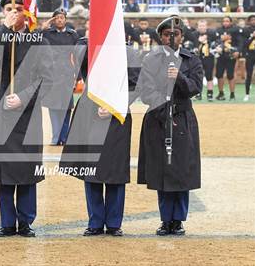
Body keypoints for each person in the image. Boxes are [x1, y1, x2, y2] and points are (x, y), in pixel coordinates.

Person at [0, 0, 53, 237]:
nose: (13, 13)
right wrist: (4, 31)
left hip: (28, 113)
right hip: (2, 108)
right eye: (9, 8)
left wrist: (24, 96)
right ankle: (7, 222)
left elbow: (48, 79)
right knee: (4, 169)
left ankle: (25, 221)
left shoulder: (38, 41)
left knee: (27, 169)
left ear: (27, 12)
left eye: (18, 8)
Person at [59, 35, 141, 237]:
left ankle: (114, 223)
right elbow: (78, 58)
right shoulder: (87, 45)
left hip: (117, 114)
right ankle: (95, 221)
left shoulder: (129, 52)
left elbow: (137, 86)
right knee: (91, 167)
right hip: (90, 111)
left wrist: (117, 105)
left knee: (115, 169)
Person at [138, 16, 202, 236]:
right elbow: (145, 91)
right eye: (166, 34)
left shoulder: (191, 59)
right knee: (162, 170)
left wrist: (180, 77)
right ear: (161, 37)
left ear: (181, 36)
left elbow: (195, 87)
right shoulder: (151, 59)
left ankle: (178, 220)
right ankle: (166, 219)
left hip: (183, 119)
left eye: (175, 34)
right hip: (158, 118)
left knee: (181, 170)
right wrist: (164, 109)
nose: (171, 38)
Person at [41, 8, 79, 146]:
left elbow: (77, 56)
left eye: (62, 17)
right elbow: (35, 42)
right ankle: (56, 137)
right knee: (53, 106)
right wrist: (43, 28)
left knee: (66, 107)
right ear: (53, 20)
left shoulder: (72, 35)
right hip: (51, 74)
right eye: (56, 17)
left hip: (67, 74)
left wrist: (78, 76)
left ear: (66, 19)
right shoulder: (47, 33)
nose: (59, 20)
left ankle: (65, 137)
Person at [214, 16, 241, 100]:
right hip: (221, 55)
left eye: (227, 21)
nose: (225, 23)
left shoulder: (235, 30)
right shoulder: (219, 30)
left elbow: (240, 42)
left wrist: (238, 51)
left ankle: (232, 94)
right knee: (219, 75)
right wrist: (219, 42)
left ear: (231, 22)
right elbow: (215, 42)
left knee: (230, 75)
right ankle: (221, 93)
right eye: (224, 21)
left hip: (230, 55)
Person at [195, 20, 216, 101]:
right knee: (198, 76)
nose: (202, 27)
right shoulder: (194, 34)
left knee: (209, 75)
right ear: (198, 27)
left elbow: (215, 44)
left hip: (208, 57)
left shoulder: (211, 34)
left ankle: (210, 93)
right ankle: (198, 93)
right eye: (200, 26)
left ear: (206, 26)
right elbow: (192, 45)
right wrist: (199, 41)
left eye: (203, 26)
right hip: (197, 58)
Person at [243, 15, 255, 101]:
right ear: (249, 21)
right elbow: (245, 44)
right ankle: (247, 94)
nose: (254, 21)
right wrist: (252, 36)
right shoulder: (246, 30)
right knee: (249, 74)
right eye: (252, 20)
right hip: (250, 54)